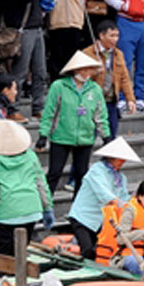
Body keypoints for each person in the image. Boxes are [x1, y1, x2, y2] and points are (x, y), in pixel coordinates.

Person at [0, 119, 50, 256]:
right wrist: (47, 208)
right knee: (19, 255)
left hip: (7, 212)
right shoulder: (30, 156)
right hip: (31, 209)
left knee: (2, 260)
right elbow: (41, 184)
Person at [40, 51, 108, 194]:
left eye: (89, 69)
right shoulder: (58, 86)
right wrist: (43, 134)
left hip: (85, 137)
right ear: (75, 70)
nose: (87, 72)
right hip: (61, 136)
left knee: (82, 174)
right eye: (84, 69)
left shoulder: (95, 89)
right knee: (54, 172)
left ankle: (78, 211)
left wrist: (105, 135)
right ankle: (44, 206)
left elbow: (100, 114)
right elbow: (49, 112)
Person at [0, 0, 53, 118]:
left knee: (40, 71)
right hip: (22, 30)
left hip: (36, 27)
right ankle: (13, 107)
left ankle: (38, 106)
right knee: (19, 72)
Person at [67, 137, 141, 260]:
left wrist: (133, 201)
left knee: (99, 250)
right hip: (83, 217)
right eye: (120, 159)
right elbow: (103, 193)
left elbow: (123, 196)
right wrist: (118, 202)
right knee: (87, 250)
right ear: (111, 157)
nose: (123, 162)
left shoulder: (121, 177)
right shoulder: (96, 170)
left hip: (101, 220)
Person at [81, 20, 135, 141]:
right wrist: (95, 72)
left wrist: (130, 99)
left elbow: (125, 78)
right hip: (93, 101)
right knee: (89, 135)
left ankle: (107, 160)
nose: (115, 39)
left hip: (111, 100)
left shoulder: (118, 54)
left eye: (117, 36)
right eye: (112, 35)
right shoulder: (88, 53)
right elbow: (80, 78)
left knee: (111, 135)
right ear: (101, 35)